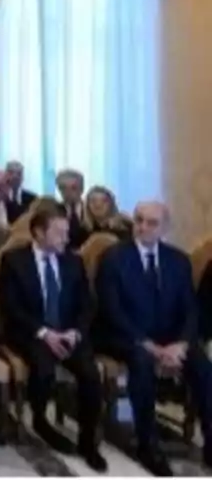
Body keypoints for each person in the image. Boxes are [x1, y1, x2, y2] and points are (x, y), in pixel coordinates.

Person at [96, 201, 212, 473]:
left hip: (170, 338)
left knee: (202, 365)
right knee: (141, 362)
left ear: (165, 228)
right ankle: (148, 444)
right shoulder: (113, 257)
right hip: (124, 336)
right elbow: (112, 311)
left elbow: (190, 309)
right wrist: (148, 345)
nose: (143, 227)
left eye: (151, 223)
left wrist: (182, 344)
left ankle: (210, 441)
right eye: (138, 220)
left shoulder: (178, 260)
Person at [0, 201, 105, 470]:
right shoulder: (14, 261)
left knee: (90, 375)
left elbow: (87, 304)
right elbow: (11, 307)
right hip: (30, 332)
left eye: (66, 231)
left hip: (69, 333)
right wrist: (44, 333)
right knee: (42, 367)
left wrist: (76, 332)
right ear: (38, 233)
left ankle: (88, 440)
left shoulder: (73, 261)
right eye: (59, 232)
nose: (66, 238)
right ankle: (40, 421)